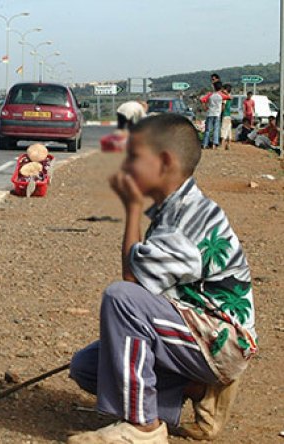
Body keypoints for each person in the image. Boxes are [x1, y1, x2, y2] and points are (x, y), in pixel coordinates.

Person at [68, 114, 257, 444]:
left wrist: (130, 211)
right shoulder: (174, 208)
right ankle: (199, 388)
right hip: (195, 332)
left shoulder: (188, 220)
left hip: (221, 341)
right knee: (88, 367)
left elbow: (132, 283)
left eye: (135, 158)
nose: (127, 167)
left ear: (165, 161)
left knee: (120, 298)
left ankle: (143, 428)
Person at [202, 82, 223, 149]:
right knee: (216, 129)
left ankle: (205, 144)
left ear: (214, 87)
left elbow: (202, 100)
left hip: (210, 113)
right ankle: (215, 143)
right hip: (217, 114)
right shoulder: (221, 96)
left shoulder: (210, 95)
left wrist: (205, 108)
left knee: (207, 130)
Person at [219, 84, 233, 149]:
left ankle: (222, 145)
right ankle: (229, 145)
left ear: (225, 90)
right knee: (229, 130)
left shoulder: (224, 98)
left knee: (224, 130)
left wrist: (220, 113)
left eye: (223, 89)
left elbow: (223, 107)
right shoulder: (230, 96)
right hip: (229, 115)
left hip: (225, 115)